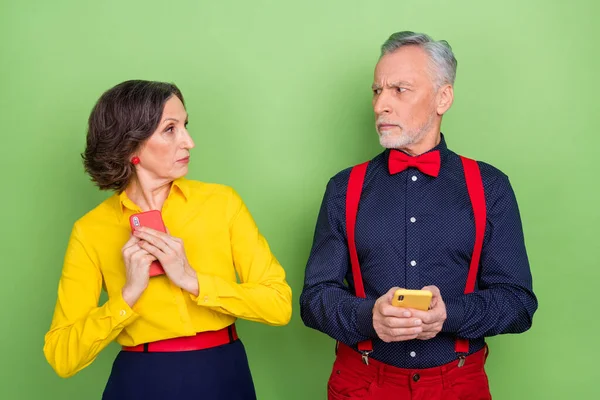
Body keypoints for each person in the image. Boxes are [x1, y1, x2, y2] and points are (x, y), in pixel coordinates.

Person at [300, 31, 537, 399]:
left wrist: (450, 315)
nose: (381, 105)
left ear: (443, 98)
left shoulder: (490, 187)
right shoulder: (344, 188)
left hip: (457, 385)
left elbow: (518, 304)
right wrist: (369, 318)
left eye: (400, 90)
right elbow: (314, 300)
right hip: (362, 383)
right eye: (377, 91)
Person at [43, 80, 292, 399]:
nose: (189, 142)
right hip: (141, 381)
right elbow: (62, 356)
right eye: (170, 129)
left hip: (223, 373)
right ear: (130, 144)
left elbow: (279, 304)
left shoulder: (222, 203)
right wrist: (127, 296)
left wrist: (192, 280)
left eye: (185, 126)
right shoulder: (91, 230)